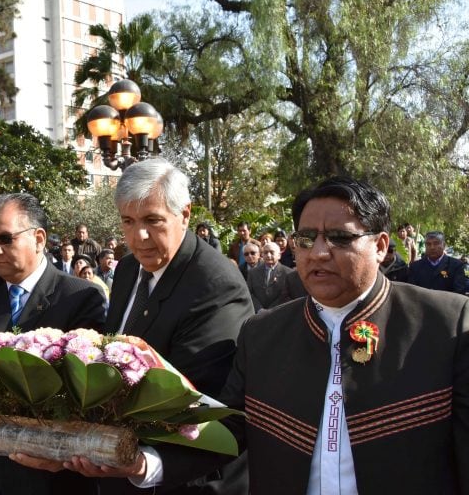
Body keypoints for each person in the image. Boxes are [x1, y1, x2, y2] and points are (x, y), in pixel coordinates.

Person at [66, 176, 468, 495]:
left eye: (340, 238)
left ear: (381, 245)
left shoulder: (446, 325)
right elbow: (225, 429)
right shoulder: (264, 335)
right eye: (306, 238)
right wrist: (144, 463)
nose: (320, 252)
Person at [12, 158, 254, 495]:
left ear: (184, 215)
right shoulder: (128, 270)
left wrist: (119, 455)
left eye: (153, 220)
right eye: (128, 221)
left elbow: (198, 405)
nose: (139, 236)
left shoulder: (214, 285)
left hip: (184, 479)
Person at [0, 193, 106, 495]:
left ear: (39, 239)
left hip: (52, 473)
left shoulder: (80, 297)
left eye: (5, 239)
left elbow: (85, 392)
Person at [246, 242, 293, 312]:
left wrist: (271, 310)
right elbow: (249, 293)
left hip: (280, 313)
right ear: (262, 255)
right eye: (265, 252)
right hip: (258, 315)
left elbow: (288, 295)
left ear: (279, 255)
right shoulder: (253, 272)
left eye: (272, 252)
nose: (268, 255)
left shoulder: (288, 273)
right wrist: (259, 309)